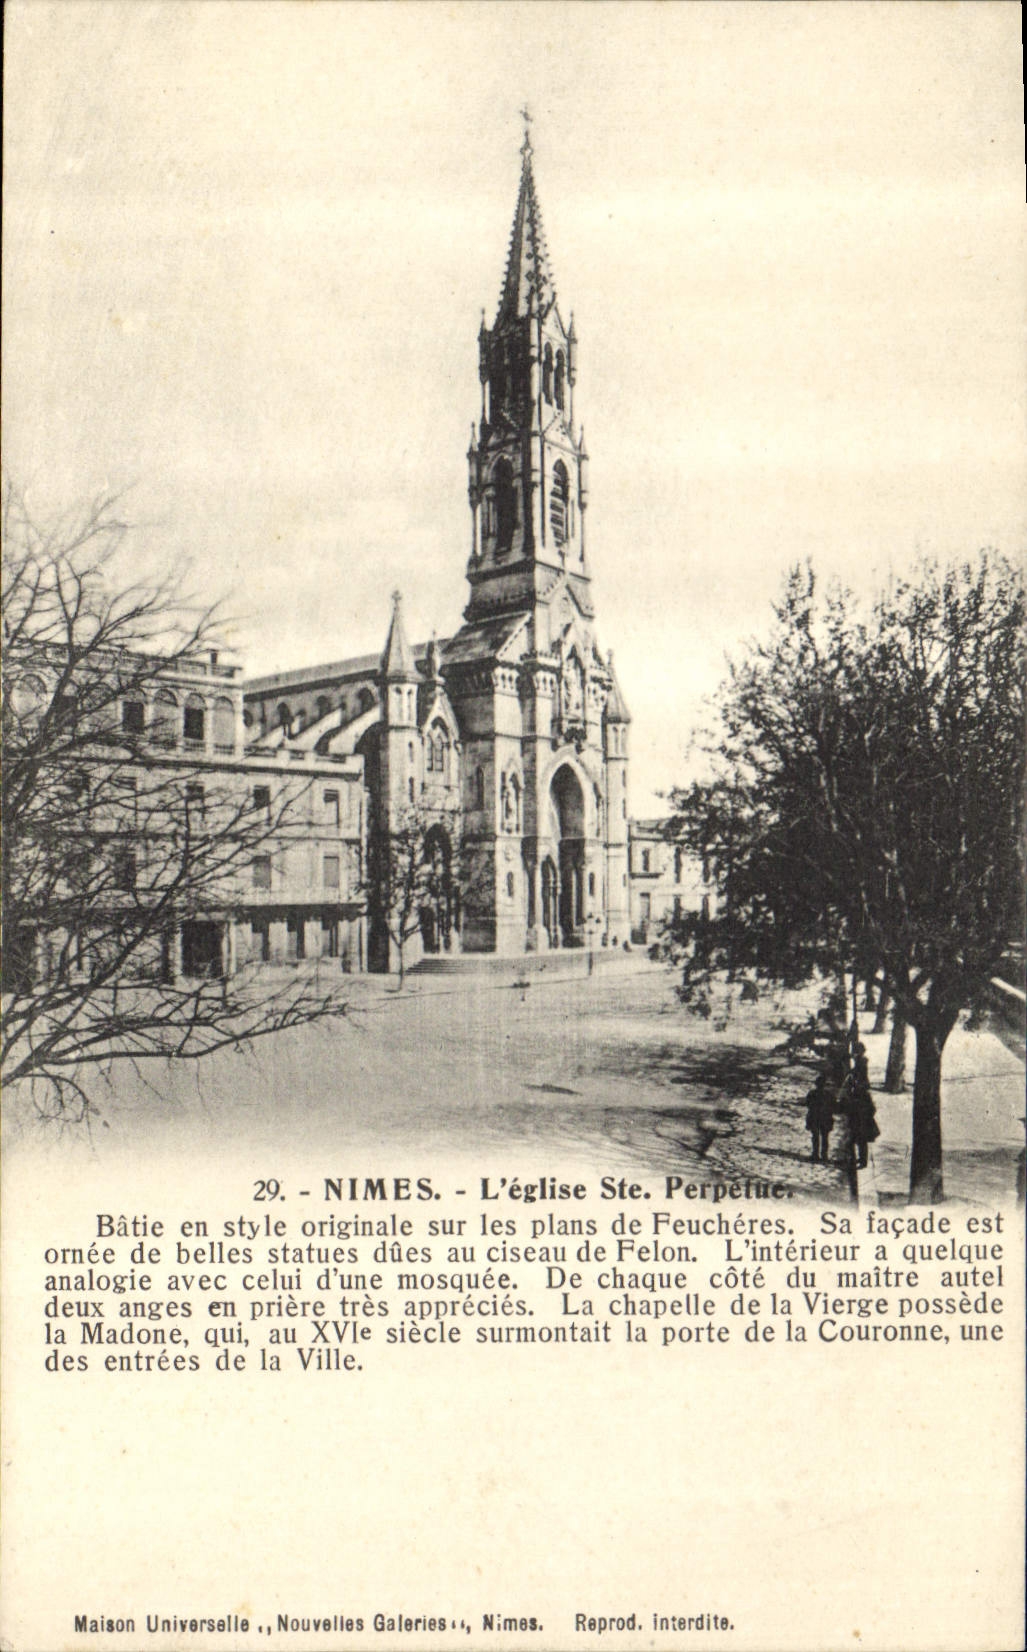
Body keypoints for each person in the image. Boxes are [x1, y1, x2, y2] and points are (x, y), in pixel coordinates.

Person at [845, 1045, 880, 1169]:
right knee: (860, 1142)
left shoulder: (862, 1064)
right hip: (861, 1122)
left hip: (860, 1122)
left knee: (855, 1142)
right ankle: (861, 1160)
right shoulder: (864, 1096)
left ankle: (859, 1161)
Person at [804, 1072, 834, 1164]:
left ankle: (815, 1154)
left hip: (815, 1117)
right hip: (825, 1118)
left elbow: (808, 1104)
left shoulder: (812, 1093)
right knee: (825, 1138)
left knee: (815, 1137)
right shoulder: (829, 1094)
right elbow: (834, 1106)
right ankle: (824, 1155)